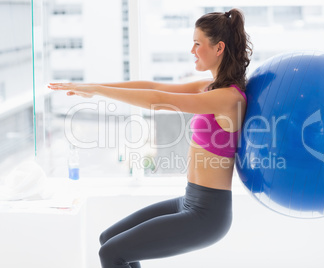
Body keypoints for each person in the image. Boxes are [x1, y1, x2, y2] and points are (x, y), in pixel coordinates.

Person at [49, 8, 252, 268]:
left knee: (111, 254)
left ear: (218, 48)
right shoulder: (209, 87)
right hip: (189, 200)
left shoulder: (229, 98)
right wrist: (94, 88)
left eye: (197, 44)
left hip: (208, 215)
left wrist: (98, 91)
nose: (192, 50)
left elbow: (158, 102)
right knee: (108, 239)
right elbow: (153, 87)